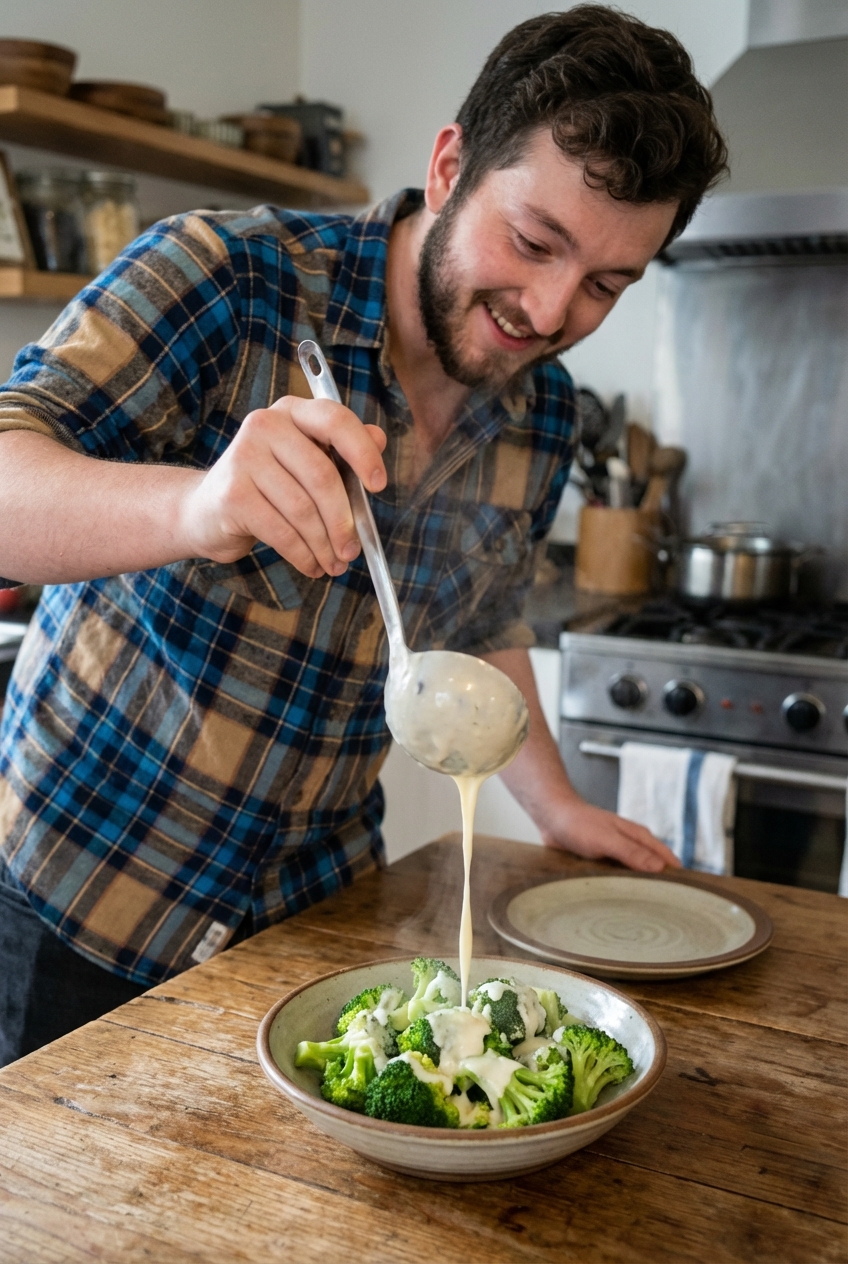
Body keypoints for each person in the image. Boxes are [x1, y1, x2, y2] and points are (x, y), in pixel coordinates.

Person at [0, 6, 727, 1063]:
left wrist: (557, 804)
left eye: (607, 284)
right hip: (82, 902)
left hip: (316, 922)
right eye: (532, 241)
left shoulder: (548, 413)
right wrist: (195, 508)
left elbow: (482, 614)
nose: (549, 308)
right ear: (447, 166)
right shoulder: (228, 277)